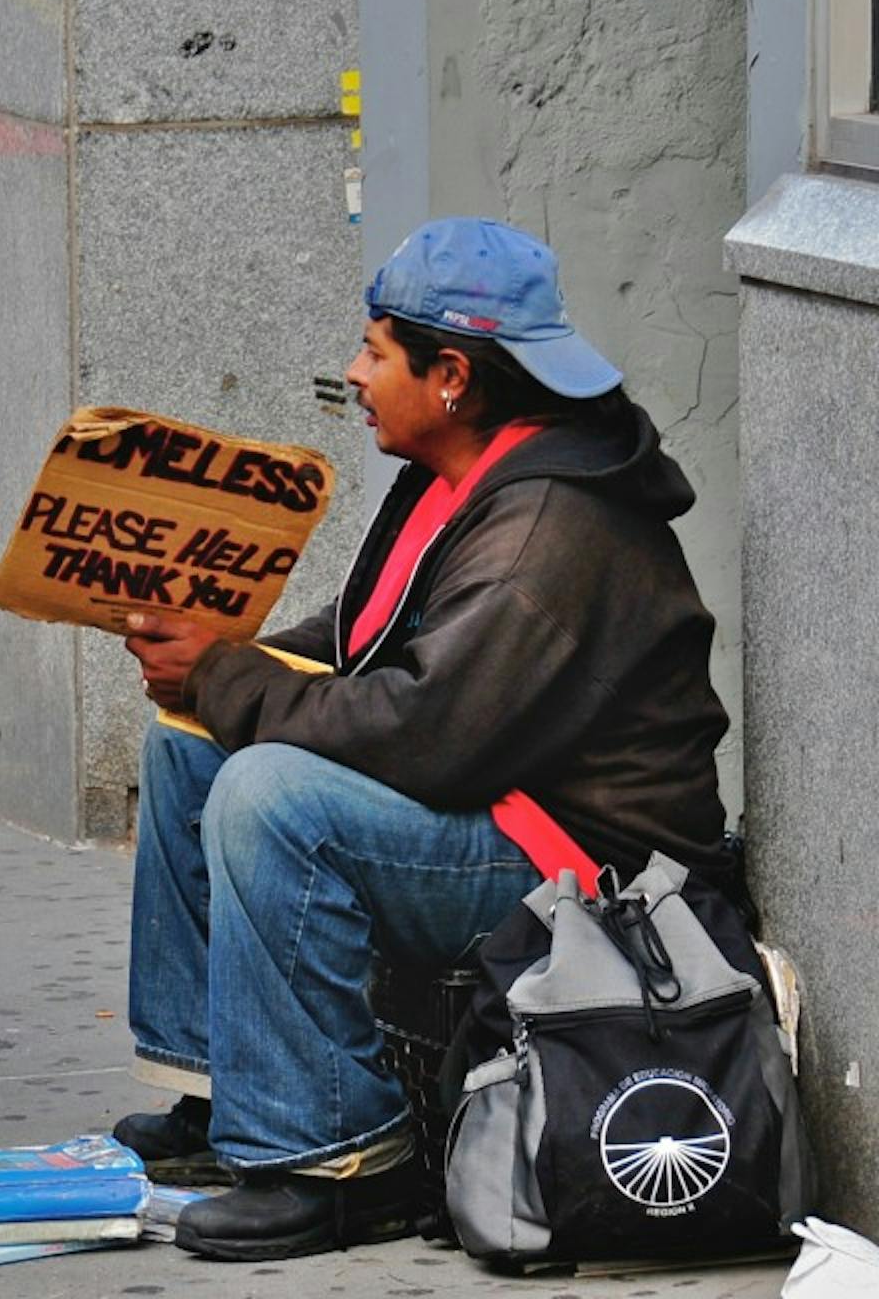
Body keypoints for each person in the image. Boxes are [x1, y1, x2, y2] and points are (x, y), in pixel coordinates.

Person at [114, 218, 731, 1262]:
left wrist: (225, 674)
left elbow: (427, 731)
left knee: (268, 795)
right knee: (189, 746)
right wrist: (221, 659)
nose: (352, 374)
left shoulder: (547, 526)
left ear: (450, 374)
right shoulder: (463, 472)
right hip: (500, 799)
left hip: (586, 868)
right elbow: (365, 646)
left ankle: (340, 1156)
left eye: (373, 351)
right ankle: (220, 1093)